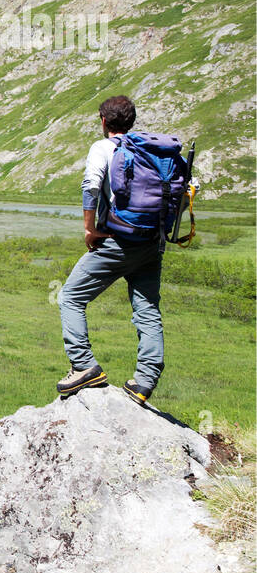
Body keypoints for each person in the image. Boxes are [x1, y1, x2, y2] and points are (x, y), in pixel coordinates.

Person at [55, 96, 164, 404]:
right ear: (131, 121)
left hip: (116, 241)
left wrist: (89, 229)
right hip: (151, 243)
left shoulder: (103, 148)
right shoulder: (151, 150)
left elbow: (91, 186)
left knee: (71, 297)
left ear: (103, 121)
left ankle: (84, 366)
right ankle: (145, 380)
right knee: (147, 308)